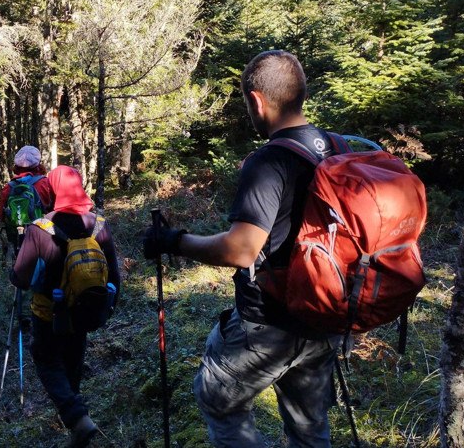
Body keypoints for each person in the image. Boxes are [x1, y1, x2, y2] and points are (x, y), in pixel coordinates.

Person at [144, 50, 342, 448]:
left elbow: (241, 250)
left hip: (269, 321)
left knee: (217, 396)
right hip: (326, 315)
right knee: (310, 429)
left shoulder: (271, 160)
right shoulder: (337, 148)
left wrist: (175, 241)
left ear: (256, 100)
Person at [11, 166, 121, 448]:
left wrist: (15, 270)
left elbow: (21, 278)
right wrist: (107, 307)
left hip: (48, 314)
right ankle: (78, 428)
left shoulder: (39, 229)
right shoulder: (99, 225)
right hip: (85, 311)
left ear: (53, 190)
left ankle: (77, 419)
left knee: (47, 361)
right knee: (72, 364)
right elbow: (114, 275)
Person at [0, 145, 54, 253]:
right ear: (38, 164)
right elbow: (52, 209)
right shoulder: (45, 183)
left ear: (17, 165)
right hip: (44, 235)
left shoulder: (8, 187)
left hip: (18, 239)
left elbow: (2, 216)